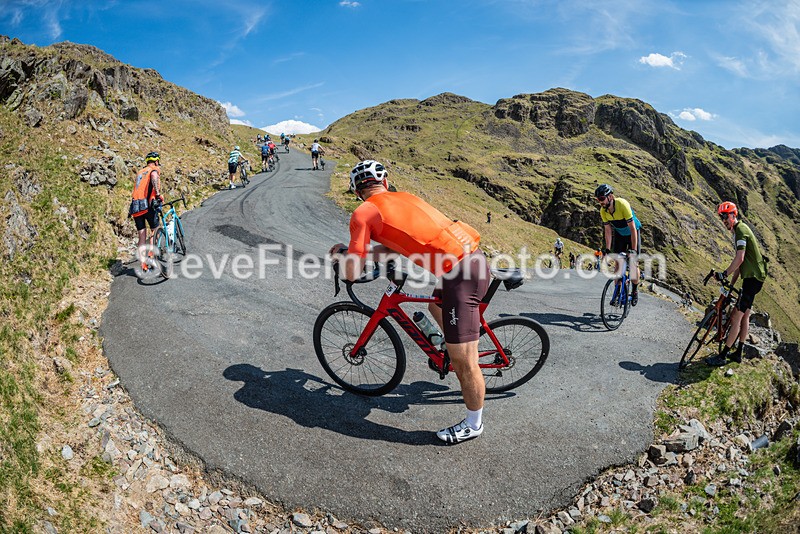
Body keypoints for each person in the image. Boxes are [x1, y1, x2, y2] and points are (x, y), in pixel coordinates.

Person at [329, 160, 489, 444]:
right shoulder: (405, 198)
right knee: (434, 306)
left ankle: (473, 423)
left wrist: (342, 257)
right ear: (386, 183)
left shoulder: (363, 213)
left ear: (355, 190)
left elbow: (352, 273)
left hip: (461, 276)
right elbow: (393, 246)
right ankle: (452, 342)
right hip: (469, 261)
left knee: (464, 363)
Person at [705, 202, 768, 367]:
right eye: (721, 217)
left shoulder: (740, 230)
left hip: (753, 279)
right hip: (754, 277)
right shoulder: (739, 230)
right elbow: (740, 263)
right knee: (745, 315)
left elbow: (739, 259)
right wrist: (729, 282)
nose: (723, 220)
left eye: (725, 216)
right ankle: (738, 353)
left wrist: (723, 274)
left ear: (733, 215)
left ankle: (723, 356)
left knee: (736, 317)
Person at [595, 184, 642, 305]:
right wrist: (607, 249)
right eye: (597, 199)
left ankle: (635, 290)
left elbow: (632, 229)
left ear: (610, 196)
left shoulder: (622, 204)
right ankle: (617, 294)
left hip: (633, 233)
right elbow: (608, 231)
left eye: (601, 198)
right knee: (617, 264)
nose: (600, 202)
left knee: (633, 264)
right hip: (620, 235)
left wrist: (633, 250)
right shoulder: (603, 211)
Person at [129, 151, 163, 272]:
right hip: (147, 205)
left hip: (136, 206)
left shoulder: (140, 172)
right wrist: (158, 194)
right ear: (156, 161)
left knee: (141, 235)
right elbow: (154, 178)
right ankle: (151, 255)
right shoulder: (154, 170)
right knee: (155, 229)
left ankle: (143, 264)